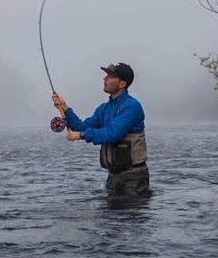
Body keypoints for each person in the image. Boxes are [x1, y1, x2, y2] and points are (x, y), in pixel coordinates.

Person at [51, 62, 150, 196]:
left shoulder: (132, 106)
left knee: (128, 215)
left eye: (110, 76)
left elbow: (113, 134)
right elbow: (83, 126)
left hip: (134, 177)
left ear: (122, 84)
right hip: (113, 176)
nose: (105, 79)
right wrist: (65, 107)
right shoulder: (104, 108)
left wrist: (80, 135)